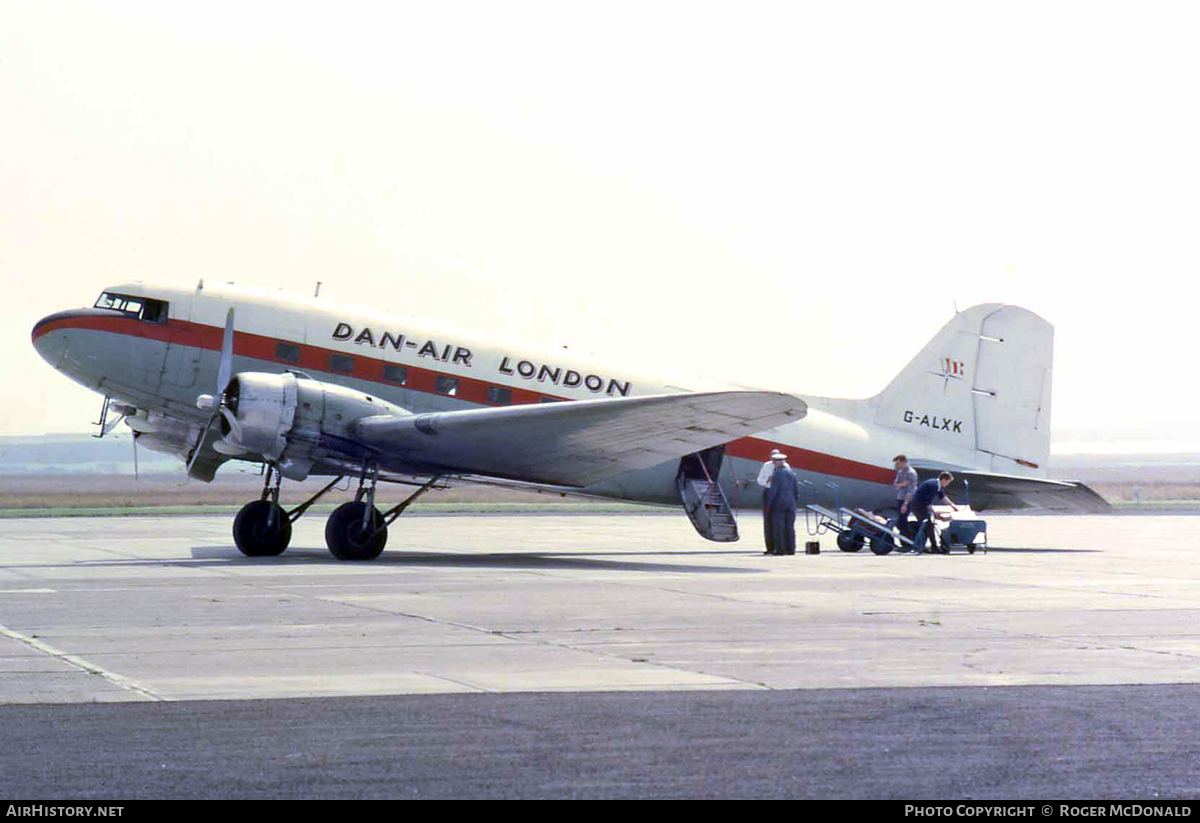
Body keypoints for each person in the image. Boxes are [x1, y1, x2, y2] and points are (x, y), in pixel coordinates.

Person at [910, 471, 958, 554]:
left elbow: (942, 496)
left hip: (921, 506)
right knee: (928, 525)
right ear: (944, 480)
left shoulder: (936, 484)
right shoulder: (933, 486)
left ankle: (928, 546)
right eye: (948, 482)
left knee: (928, 526)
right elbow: (928, 503)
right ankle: (933, 547)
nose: (948, 484)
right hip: (918, 507)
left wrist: (953, 506)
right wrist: (935, 513)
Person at [765, 453, 800, 555]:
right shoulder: (791, 473)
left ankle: (780, 550)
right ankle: (791, 549)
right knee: (790, 527)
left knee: (778, 527)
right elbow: (796, 491)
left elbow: (773, 490)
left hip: (779, 503)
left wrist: (769, 504)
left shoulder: (777, 473)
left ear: (776, 463)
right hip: (791, 503)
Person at [757, 449, 789, 554]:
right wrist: (768, 481)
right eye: (773, 457)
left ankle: (781, 547)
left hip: (780, 495)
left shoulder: (786, 467)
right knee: (768, 522)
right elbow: (759, 480)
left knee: (779, 523)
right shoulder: (767, 466)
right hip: (769, 492)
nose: (775, 459)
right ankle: (770, 548)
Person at [891, 455, 919, 541]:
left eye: (898, 463)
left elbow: (910, 491)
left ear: (904, 462)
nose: (897, 466)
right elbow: (895, 485)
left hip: (907, 500)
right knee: (900, 521)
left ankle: (909, 541)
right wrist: (903, 484)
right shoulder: (900, 473)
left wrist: (905, 504)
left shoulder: (911, 473)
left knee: (902, 521)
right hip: (900, 498)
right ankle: (905, 541)